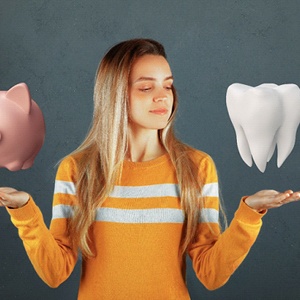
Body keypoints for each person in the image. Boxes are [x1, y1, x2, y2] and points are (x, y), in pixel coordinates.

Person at [0, 38, 299, 300]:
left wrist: (249, 214)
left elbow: (212, 274)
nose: (163, 96)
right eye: (146, 87)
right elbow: (54, 271)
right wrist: (24, 210)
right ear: (115, 94)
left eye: (167, 85)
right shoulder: (78, 170)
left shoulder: (197, 168)